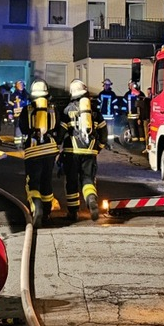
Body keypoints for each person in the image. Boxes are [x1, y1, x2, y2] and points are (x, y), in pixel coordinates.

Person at [58, 79, 106, 221]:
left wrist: (57, 146)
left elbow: (61, 133)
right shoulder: (94, 111)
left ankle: (73, 212)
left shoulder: (67, 110)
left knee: (71, 181)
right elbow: (104, 133)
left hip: (71, 152)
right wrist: (98, 148)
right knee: (88, 179)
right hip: (90, 152)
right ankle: (91, 200)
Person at [23, 79, 60, 226]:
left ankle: (36, 207)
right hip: (50, 150)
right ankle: (47, 213)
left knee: (33, 181)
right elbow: (57, 127)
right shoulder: (53, 109)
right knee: (47, 181)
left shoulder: (28, 109)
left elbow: (24, 128)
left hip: (33, 150)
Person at [8, 80, 30, 146]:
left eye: (22, 85)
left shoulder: (27, 94)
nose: (21, 86)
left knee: (26, 128)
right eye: (19, 85)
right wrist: (10, 113)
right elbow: (10, 105)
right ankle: (18, 144)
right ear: (16, 86)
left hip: (26, 114)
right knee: (18, 128)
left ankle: (26, 143)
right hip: (17, 115)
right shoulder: (13, 95)